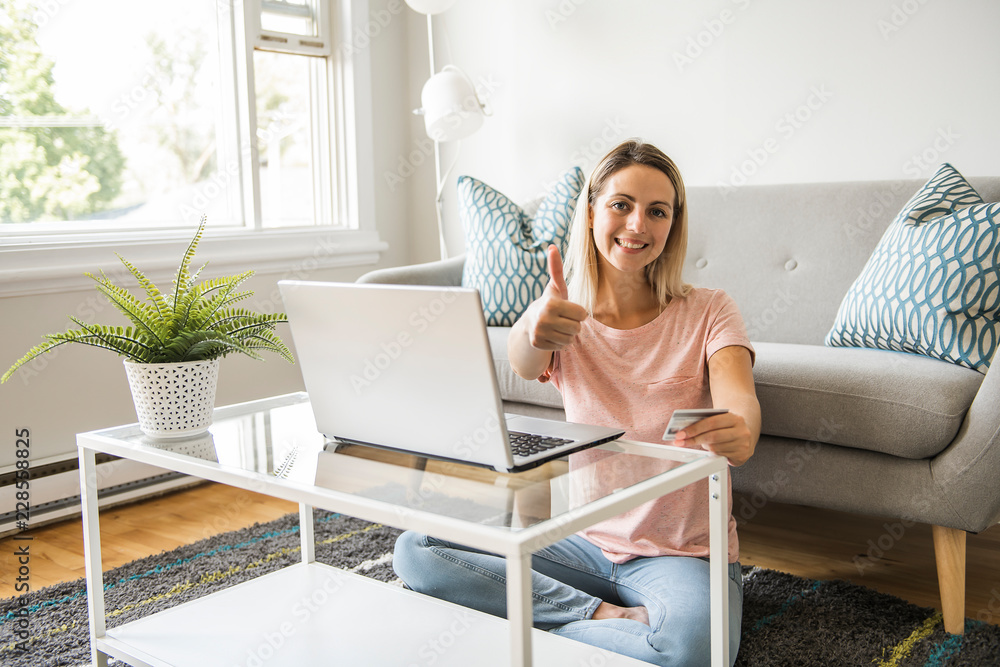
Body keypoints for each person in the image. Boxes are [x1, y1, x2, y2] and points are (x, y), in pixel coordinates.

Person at [393, 139, 760, 666]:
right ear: (591, 212)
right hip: (582, 545)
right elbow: (522, 358)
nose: (638, 225)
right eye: (621, 205)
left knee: (694, 651)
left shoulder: (711, 310)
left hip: (683, 556)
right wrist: (535, 324)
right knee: (419, 550)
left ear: (672, 226)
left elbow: (739, 400)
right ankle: (599, 619)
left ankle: (526, 626)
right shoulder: (562, 314)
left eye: (657, 212)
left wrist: (740, 429)